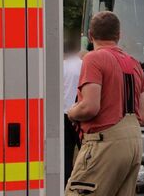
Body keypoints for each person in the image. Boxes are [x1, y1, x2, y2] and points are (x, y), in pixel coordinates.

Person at [65, 12, 144, 196]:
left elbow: (90, 107)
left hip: (105, 143)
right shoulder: (134, 64)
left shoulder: (94, 59)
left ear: (90, 35)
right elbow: (143, 117)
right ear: (119, 35)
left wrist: (72, 112)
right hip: (133, 144)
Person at [62, 37, 83, 186]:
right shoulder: (83, 64)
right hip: (81, 113)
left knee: (66, 153)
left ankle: (65, 184)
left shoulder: (61, 66)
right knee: (85, 150)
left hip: (64, 113)